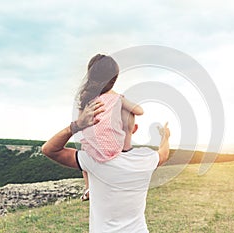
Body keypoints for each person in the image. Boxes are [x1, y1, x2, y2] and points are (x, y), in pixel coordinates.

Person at [42, 100, 170, 233]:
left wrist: (76, 126)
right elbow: (164, 154)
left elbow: (50, 150)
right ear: (135, 128)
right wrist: (165, 137)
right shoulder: (147, 158)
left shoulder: (95, 159)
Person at [76, 54, 143, 200]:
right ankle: (126, 148)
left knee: (84, 146)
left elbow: (81, 124)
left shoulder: (85, 98)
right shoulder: (117, 98)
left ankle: (88, 188)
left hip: (92, 150)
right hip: (115, 147)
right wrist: (123, 100)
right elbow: (140, 111)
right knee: (128, 112)